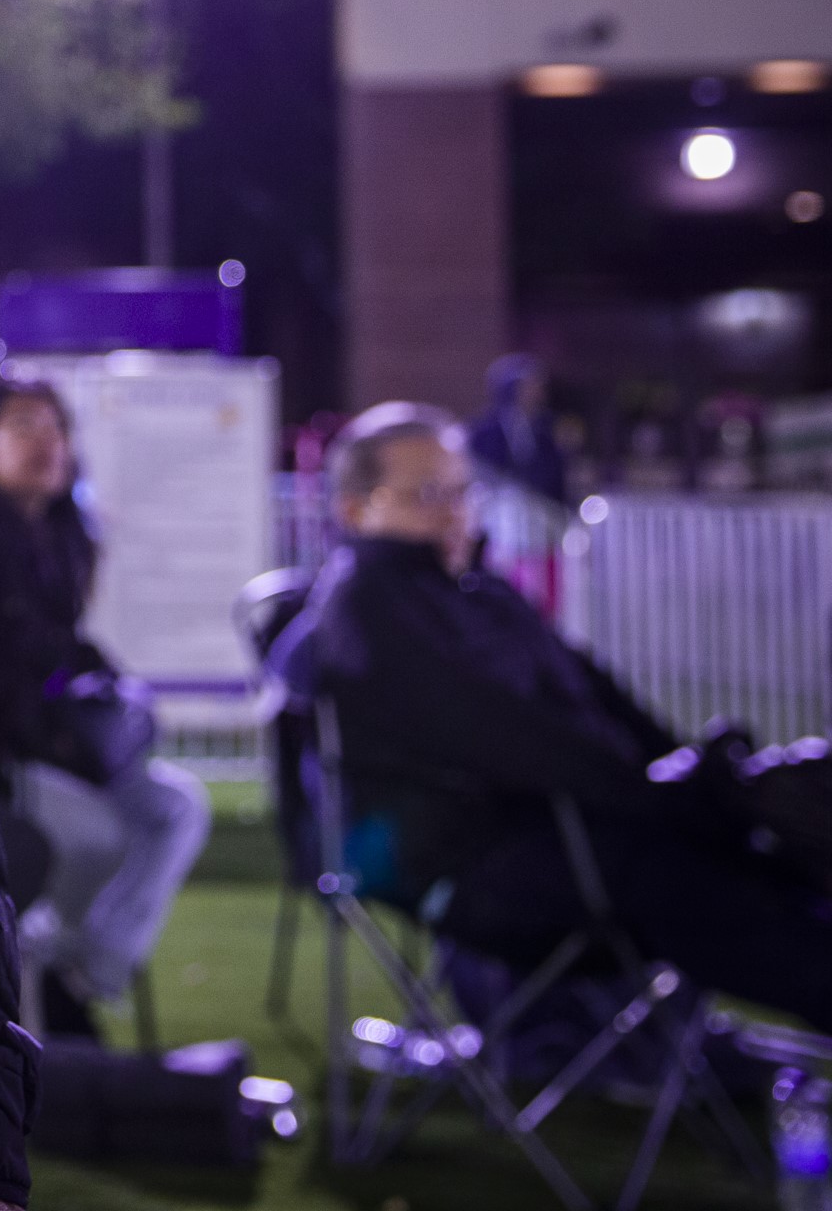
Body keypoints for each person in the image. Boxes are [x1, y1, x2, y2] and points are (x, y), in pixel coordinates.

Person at [297, 402, 832, 1030]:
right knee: (704, 880)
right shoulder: (371, 609)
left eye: (463, 491)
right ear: (354, 509)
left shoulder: (474, 590)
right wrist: (661, 796)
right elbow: (505, 740)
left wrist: (686, 773)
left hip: (568, 829)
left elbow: (592, 690)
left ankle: (668, 1051)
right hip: (479, 865)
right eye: (426, 494)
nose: (454, 512)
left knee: (772, 830)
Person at [0, 376, 210, 1038]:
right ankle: (52, 986)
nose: (47, 442)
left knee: (176, 809)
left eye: (56, 427)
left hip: (57, 751)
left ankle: (86, 969)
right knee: (96, 837)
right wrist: (51, 727)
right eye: (24, 426)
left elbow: (64, 651)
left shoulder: (60, 537)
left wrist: (109, 696)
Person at [466, 352, 570, 507]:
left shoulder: (549, 430)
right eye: (531, 386)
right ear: (511, 389)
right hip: (497, 509)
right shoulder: (483, 431)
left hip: (541, 512)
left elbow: (556, 477)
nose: (538, 393)